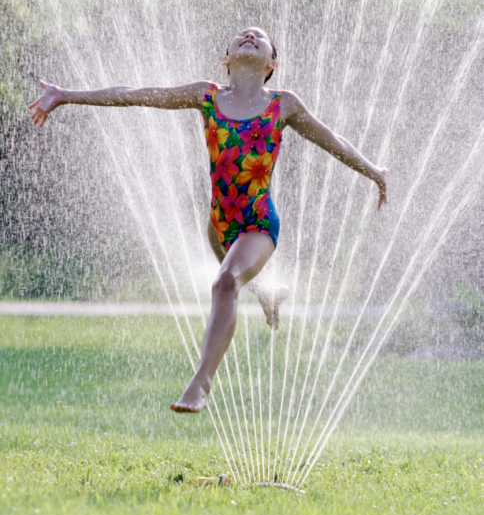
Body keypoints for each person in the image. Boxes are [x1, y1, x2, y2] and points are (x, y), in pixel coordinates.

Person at [29, 26, 387, 413]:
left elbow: (334, 141)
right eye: (241, 36)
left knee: (225, 283)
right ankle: (266, 293)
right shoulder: (207, 95)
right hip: (217, 224)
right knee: (231, 280)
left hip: (258, 224)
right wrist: (66, 96)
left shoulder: (284, 105)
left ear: (272, 63)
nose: (250, 36)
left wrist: (375, 172)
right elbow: (136, 94)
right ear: (226, 58)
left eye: (260, 37)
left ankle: (200, 383)